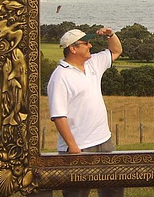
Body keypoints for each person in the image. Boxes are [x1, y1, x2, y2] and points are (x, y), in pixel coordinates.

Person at [47, 27, 124, 197]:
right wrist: (73, 147)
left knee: (114, 189)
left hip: (104, 141)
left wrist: (110, 35)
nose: (90, 46)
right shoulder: (60, 77)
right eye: (85, 43)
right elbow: (58, 116)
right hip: (79, 147)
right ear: (73, 49)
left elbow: (117, 50)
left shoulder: (93, 63)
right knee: (77, 193)